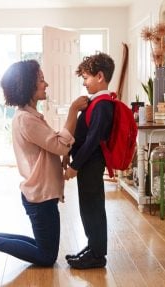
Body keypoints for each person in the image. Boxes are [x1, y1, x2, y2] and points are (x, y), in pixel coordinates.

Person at [0, 59, 88, 268]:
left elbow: (52, 146)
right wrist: (73, 111)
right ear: (28, 86)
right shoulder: (26, 119)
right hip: (40, 196)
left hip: (41, 193)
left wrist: (63, 152)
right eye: (41, 80)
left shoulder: (30, 116)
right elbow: (60, 145)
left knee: (42, 247)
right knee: (46, 256)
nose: (46, 84)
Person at [63, 52, 115, 269]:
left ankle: (97, 254)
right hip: (88, 164)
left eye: (86, 78)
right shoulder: (96, 102)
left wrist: (75, 165)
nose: (84, 83)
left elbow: (93, 140)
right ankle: (93, 247)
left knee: (92, 207)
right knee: (88, 206)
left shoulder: (103, 104)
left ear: (99, 76)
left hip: (91, 164)